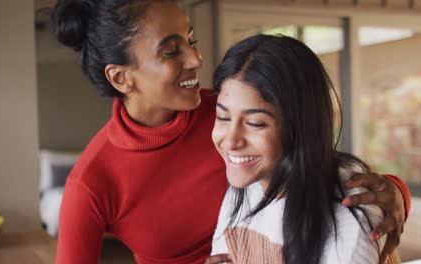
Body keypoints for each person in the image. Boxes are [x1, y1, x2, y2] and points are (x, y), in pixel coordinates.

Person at [51, 0, 410, 263]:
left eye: (191, 40)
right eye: (171, 51)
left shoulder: (227, 113)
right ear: (121, 76)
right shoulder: (92, 182)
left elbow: (314, 162)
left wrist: (394, 192)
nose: (195, 59)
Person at [209, 34, 401, 264]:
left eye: (255, 123)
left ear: (301, 124)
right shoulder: (245, 187)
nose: (230, 141)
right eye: (223, 116)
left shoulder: (350, 220)